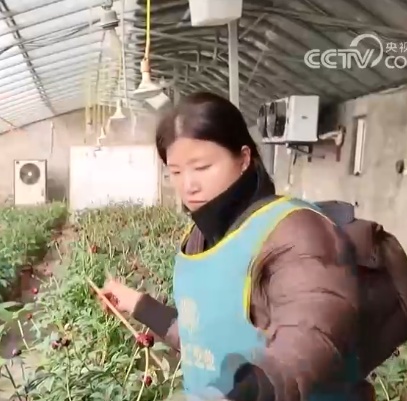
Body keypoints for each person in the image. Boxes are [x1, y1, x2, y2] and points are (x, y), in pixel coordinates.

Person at [100, 92, 373, 401]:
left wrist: (238, 395)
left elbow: (311, 345)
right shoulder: (202, 237)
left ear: (243, 158)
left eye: (201, 167)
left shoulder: (295, 230)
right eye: (175, 172)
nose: (188, 185)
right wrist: (140, 306)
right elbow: (205, 339)